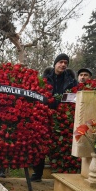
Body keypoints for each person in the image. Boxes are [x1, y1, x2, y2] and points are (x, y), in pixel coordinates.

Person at [32, 54, 78, 182]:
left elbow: (76, 96)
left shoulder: (71, 81)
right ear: (55, 63)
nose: (63, 65)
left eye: (65, 63)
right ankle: (37, 174)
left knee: (60, 146)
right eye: (61, 62)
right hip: (45, 115)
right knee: (41, 145)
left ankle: (60, 175)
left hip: (63, 117)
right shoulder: (45, 79)